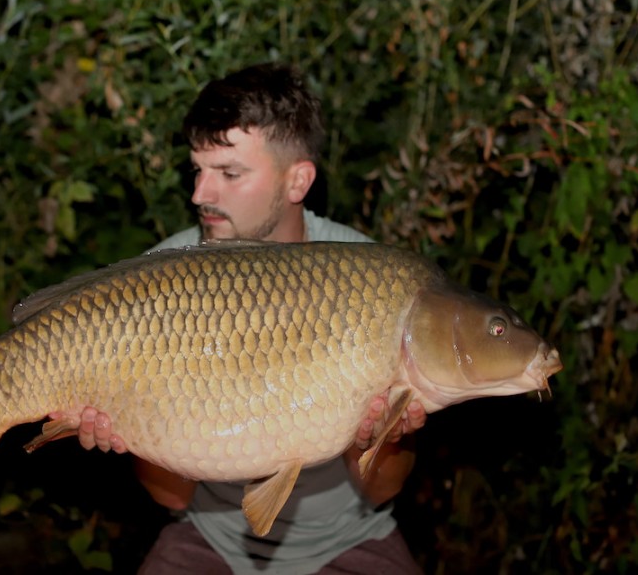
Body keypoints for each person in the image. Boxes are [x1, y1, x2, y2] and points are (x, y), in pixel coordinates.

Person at [78, 63, 426, 574]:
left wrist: (385, 434)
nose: (200, 194)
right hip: (209, 536)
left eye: (229, 173)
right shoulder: (158, 284)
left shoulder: (373, 280)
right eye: (198, 170)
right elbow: (172, 499)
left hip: (347, 539)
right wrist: (131, 432)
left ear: (297, 180)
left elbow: (382, 488)